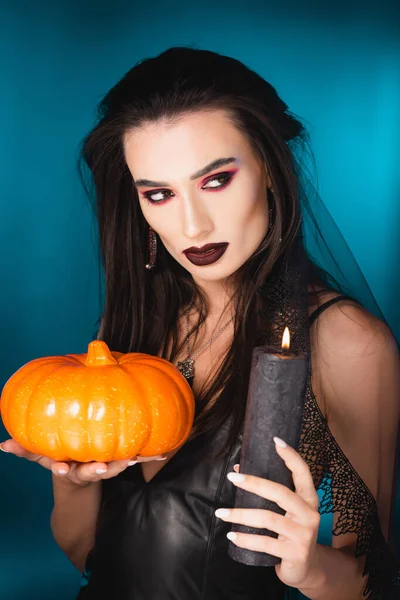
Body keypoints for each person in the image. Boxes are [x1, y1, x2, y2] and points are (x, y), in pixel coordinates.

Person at [1, 46, 399, 600]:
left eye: (215, 181)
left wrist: (309, 567)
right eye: (159, 194)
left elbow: (374, 582)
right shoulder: (130, 330)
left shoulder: (345, 343)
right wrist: (70, 481)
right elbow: (83, 553)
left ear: (270, 169)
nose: (191, 224)